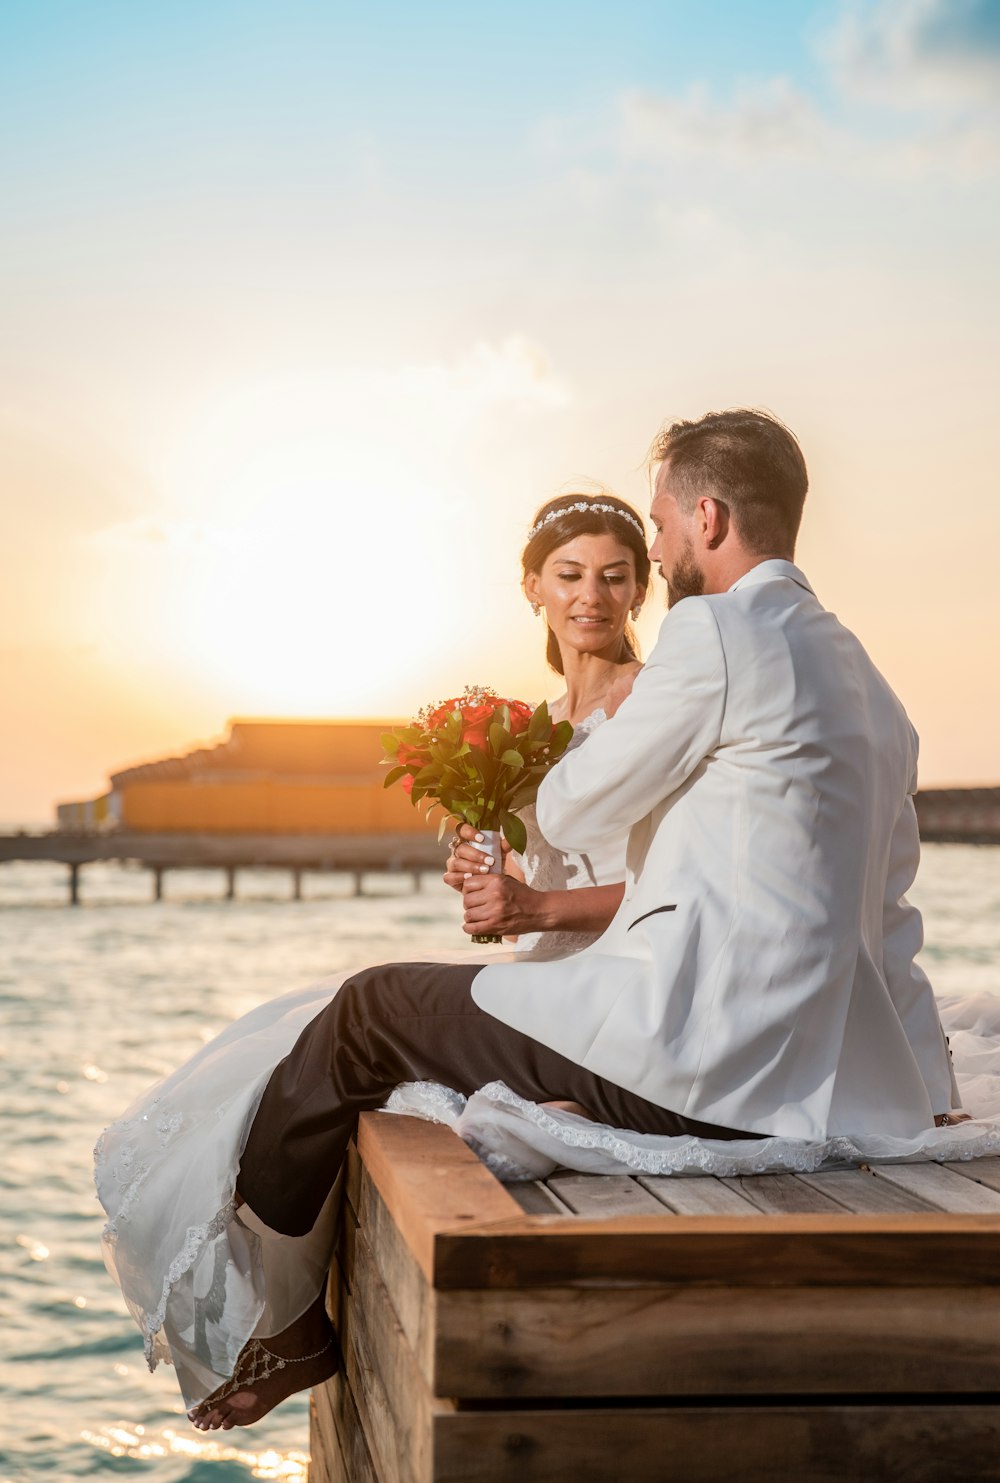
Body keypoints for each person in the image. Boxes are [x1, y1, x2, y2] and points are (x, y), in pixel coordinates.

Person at [213, 407, 964, 1430]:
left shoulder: (721, 630)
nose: (652, 554)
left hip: (700, 1059)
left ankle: (279, 1306)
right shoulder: (867, 678)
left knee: (370, 1004)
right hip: (822, 1076)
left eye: (656, 526)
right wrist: (922, 1082)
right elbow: (889, 911)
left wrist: (537, 803)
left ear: (704, 515)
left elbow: (574, 805)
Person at [94, 488, 655, 1430]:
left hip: (619, 976)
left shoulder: (652, 705)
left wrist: (536, 902)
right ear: (533, 587)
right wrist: (489, 873)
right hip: (548, 965)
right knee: (287, 1033)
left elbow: (676, 881)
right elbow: (533, 880)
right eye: (570, 575)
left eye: (615, 576)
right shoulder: (537, 721)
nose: (592, 596)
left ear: (641, 588)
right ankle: (282, 1302)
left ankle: (291, 1323)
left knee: (362, 1012)